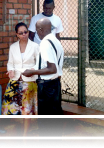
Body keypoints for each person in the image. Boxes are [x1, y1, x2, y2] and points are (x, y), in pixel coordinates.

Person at [22, 18, 64, 147]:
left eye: (36, 29)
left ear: (40, 30)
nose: (36, 32)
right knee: (54, 120)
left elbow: (52, 68)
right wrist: (35, 68)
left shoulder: (45, 43)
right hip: (55, 85)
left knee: (45, 122)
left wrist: (32, 73)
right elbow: (50, 65)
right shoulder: (55, 41)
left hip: (47, 87)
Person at [1, 22, 39, 147]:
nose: (24, 34)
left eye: (26, 32)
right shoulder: (13, 47)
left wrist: (31, 71)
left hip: (29, 81)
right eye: (21, 33)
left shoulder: (35, 46)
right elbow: (10, 63)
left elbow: (39, 64)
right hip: (15, 80)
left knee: (26, 111)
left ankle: (24, 135)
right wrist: (11, 70)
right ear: (17, 34)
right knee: (8, 106)